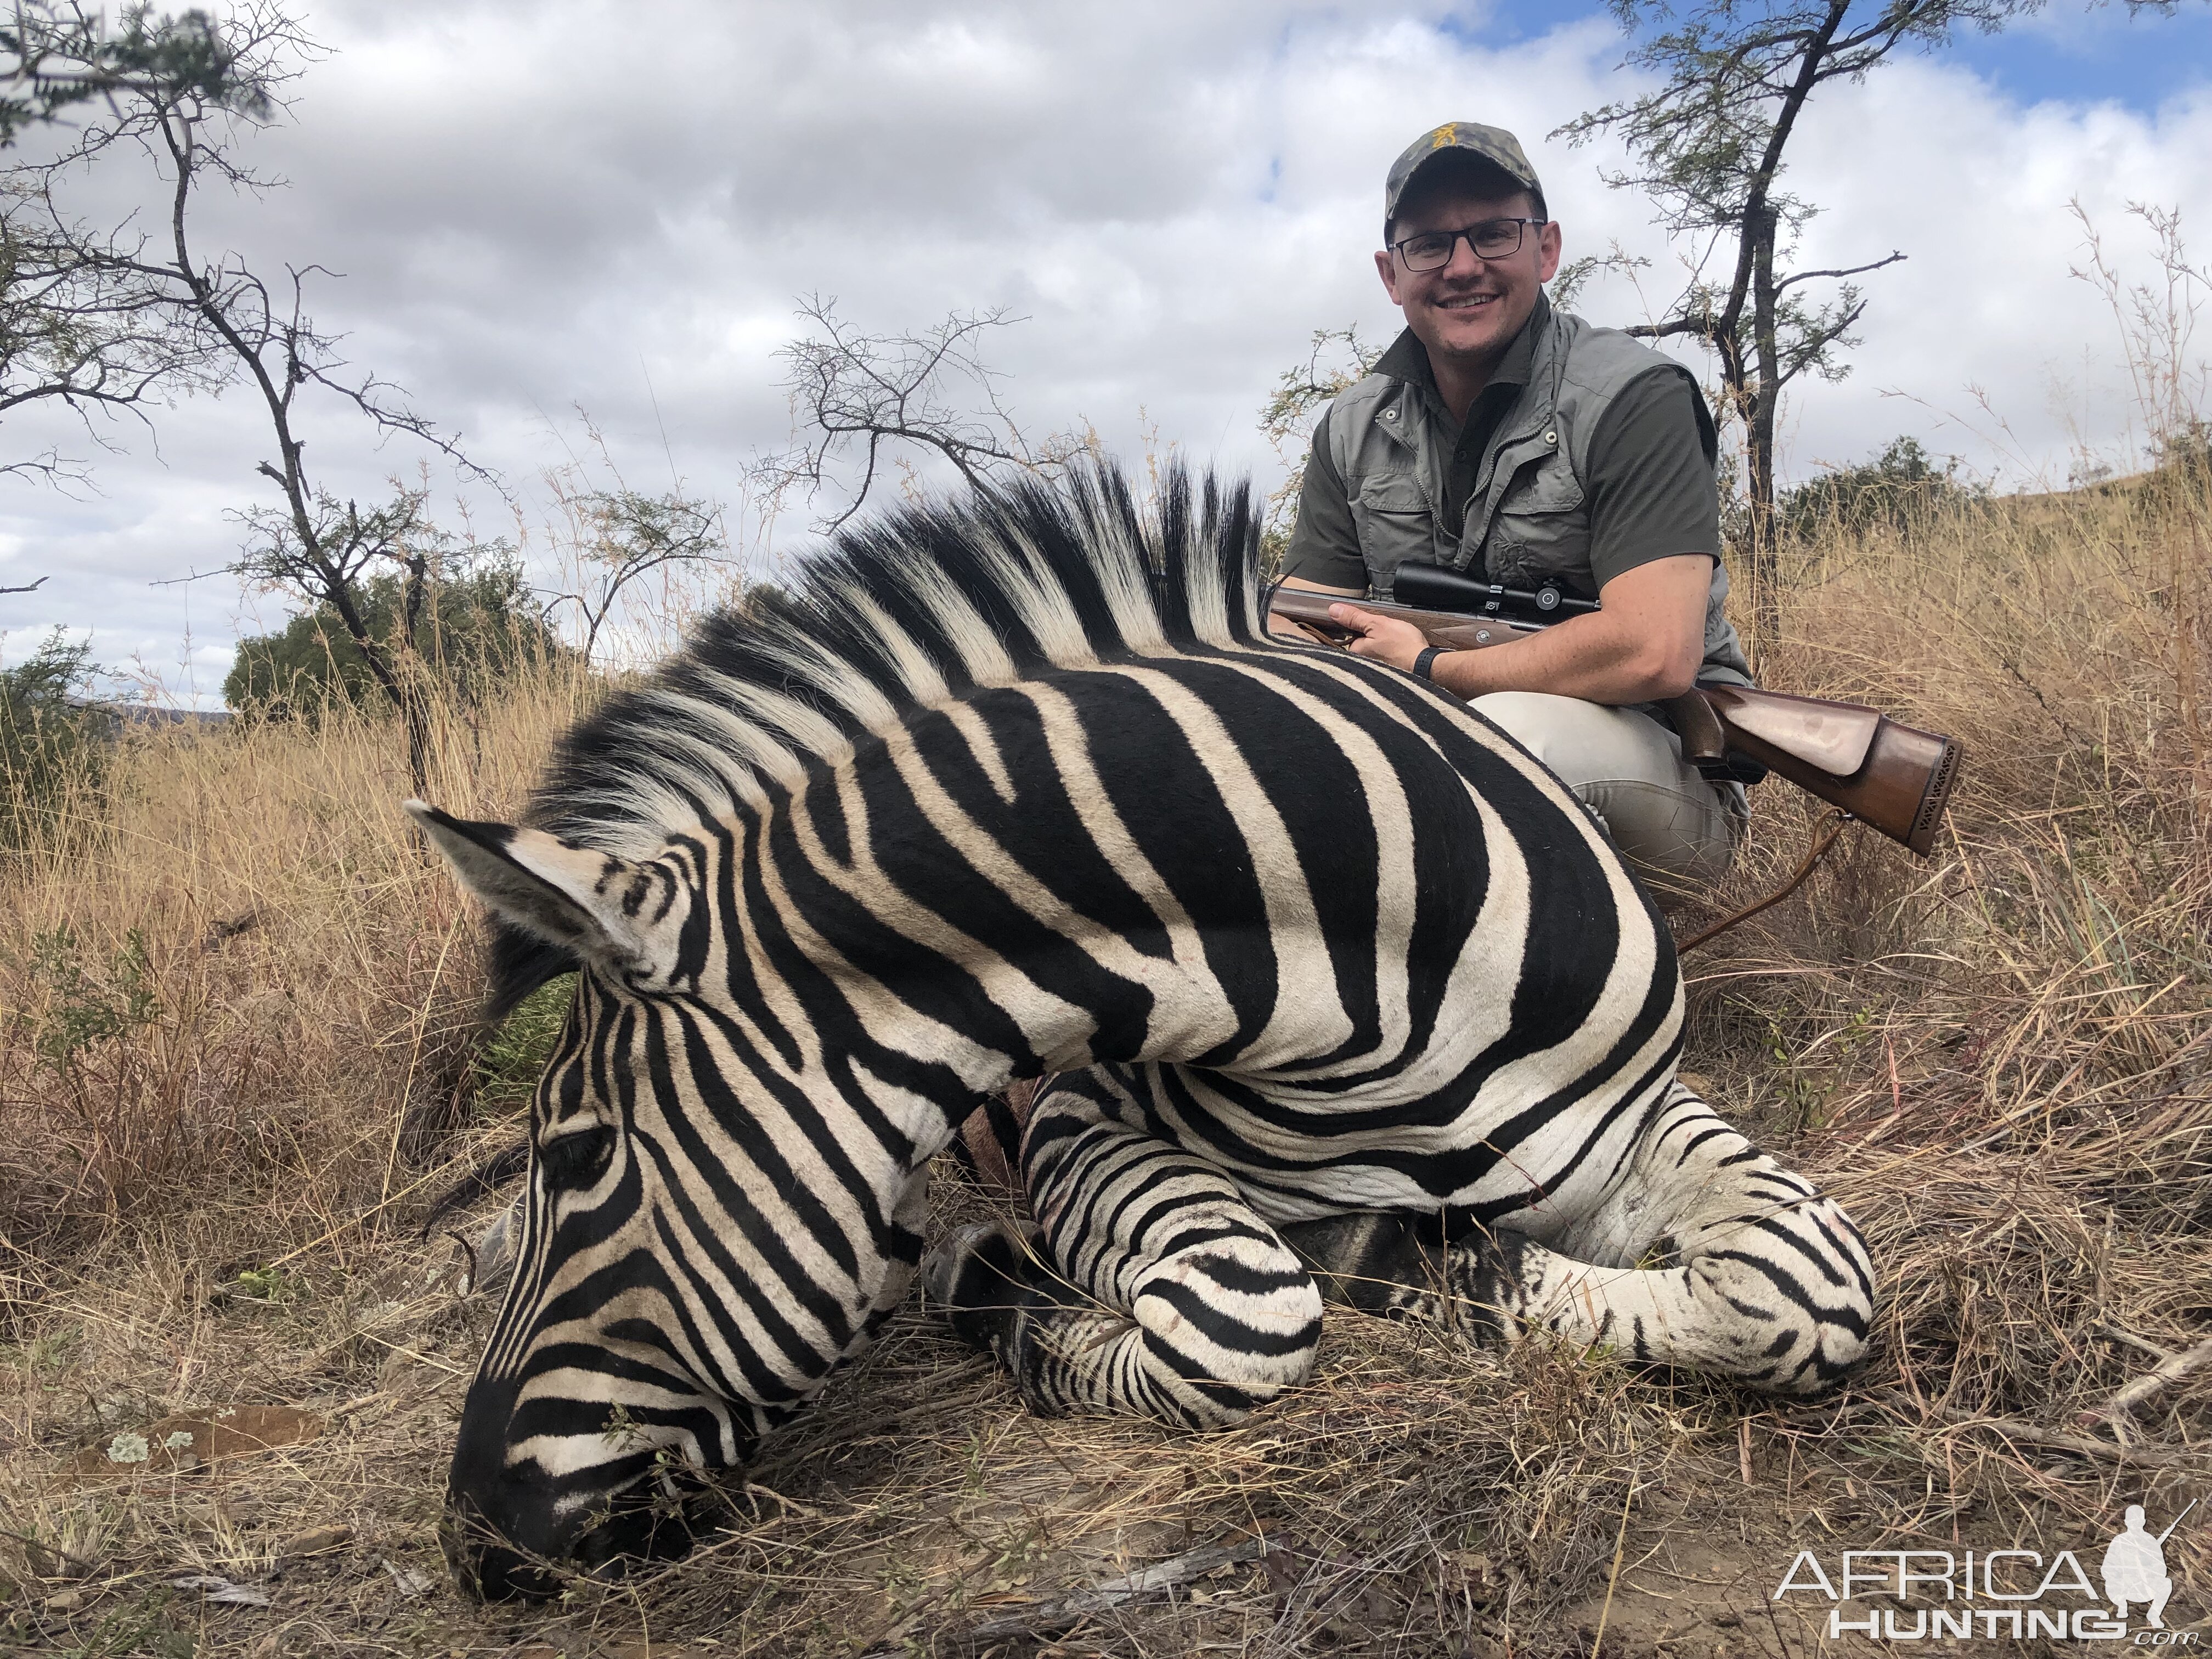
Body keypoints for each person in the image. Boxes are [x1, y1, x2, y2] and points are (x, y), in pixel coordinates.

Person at [1277, 121, 1753, 896]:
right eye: (1429, 245)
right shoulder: (1351, 425)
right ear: (1391, 274)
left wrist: (1434, 667)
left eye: (1495, 234)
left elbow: (1654, 652)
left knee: (1506, 738)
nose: (1463, 267)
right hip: (1434, 750)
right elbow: (1301, 618)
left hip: (1662, 771)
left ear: (1547, 247)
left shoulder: (1636, 398)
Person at [2101, 1505, 2173, 1627]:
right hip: (2124, 1587)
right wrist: (2120, 1574)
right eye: (2132, 1521)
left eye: (2138, 1521)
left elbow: (2161, 1569)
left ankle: (2154, 1615)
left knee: (2167, 1583)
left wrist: (2148, 1569)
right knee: (2110, 1583)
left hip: (2145, 1586)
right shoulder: (2119, 1541)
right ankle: (2122, 1606)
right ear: (2126, 1523)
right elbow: (2107, 1567)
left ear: (2143, 1522)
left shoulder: (2150, 1541)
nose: (2135, 1525)